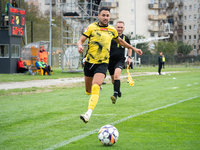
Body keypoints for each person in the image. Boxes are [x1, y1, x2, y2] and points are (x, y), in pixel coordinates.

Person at [77, 7, 142, 124]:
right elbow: (80, 40)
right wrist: (80, 46)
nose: (106, 17)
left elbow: (121, 41)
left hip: (102, 63)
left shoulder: (112, 30)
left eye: (107, 15)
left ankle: (88, 113)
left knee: (96, 86)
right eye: (103, 15)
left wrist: (133, 49)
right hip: (89, 63)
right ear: (99, 16)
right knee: (88, 90)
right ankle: (95, 91)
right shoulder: (91, 27)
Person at [108, 21, 132, 104]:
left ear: (123, 28)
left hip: (120, 60)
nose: (119, 29)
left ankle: (114, 95)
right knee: (113, 80)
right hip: (110, 61)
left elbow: (129, 47)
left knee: (116, 76)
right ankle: (118, 90)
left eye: (121, 27)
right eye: (118, 27)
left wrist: (129, 57)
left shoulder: (125, 38)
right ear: (115, 27)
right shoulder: (110, 36)